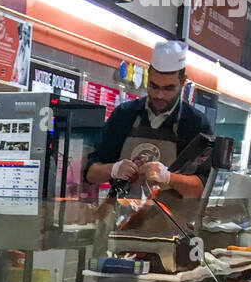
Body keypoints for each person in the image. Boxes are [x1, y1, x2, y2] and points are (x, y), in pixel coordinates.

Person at [85, 40, 212, 200]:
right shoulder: (124, 115)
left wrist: (169, 178)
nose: (159, 95)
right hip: (121, 217)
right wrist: (113, 169)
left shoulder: (196, 124)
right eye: (154, 86)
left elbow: (203, 189)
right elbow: (90, 174)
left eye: (168, 88)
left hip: (169, 221)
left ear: (183, 82)